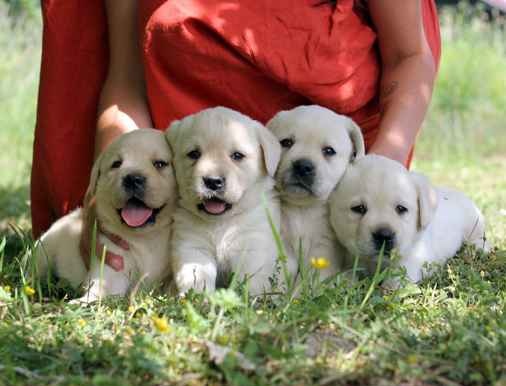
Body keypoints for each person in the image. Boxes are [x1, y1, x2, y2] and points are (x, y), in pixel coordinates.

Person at [31, 0, 440, 249]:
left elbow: (409, 55)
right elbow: (125, 81)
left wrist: (378, 173)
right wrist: (121, 180)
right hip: (191, 199)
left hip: (329, 197)